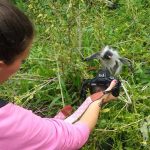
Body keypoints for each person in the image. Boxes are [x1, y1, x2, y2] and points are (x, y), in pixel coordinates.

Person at [0, 1, 118, 150]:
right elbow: (73, 137)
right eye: (22, 61)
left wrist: (51, 124)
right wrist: (98, 101)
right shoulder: (10, 123)